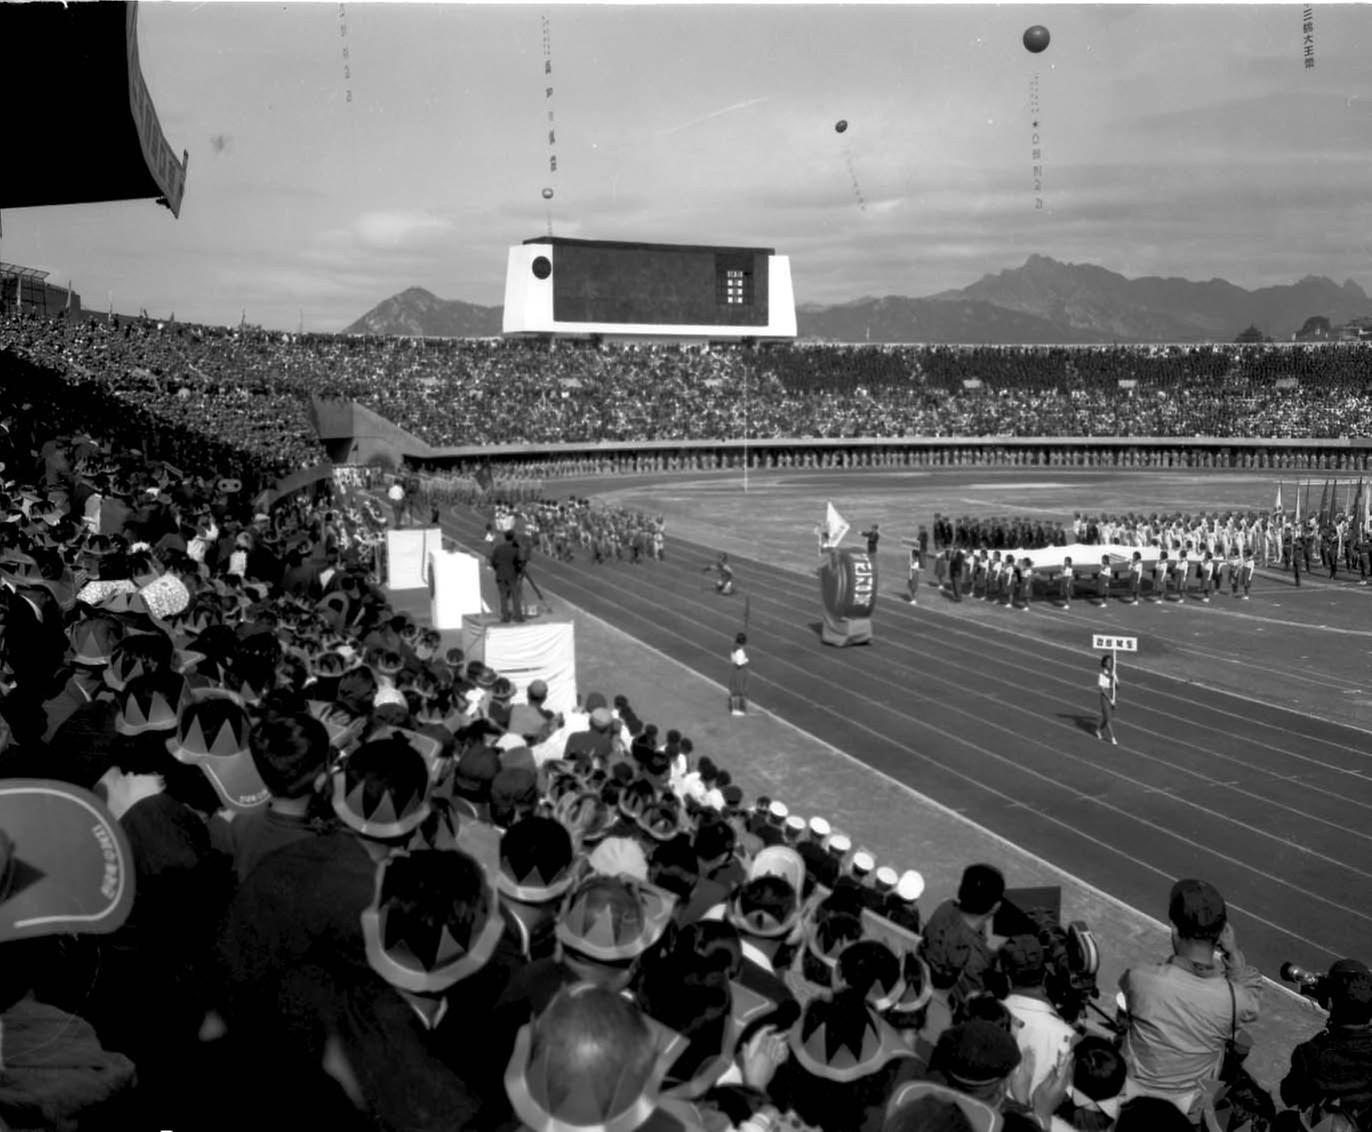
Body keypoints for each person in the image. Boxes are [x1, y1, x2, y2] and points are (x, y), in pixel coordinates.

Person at [1117, 878, 1263, 1123]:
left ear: (1174, 927)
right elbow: (1250, 997)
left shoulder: (1140, 978)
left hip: (1131, 1100)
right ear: (1221, 933)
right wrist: (1233, 954)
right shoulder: (1234, 999)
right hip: (1187, 1110)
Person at [1279, 958, 1372, 1130]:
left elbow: (1289, 1095)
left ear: (1330, 1003)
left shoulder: (1310, 1053)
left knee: (1285, 1121)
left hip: (1326, 1124)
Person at [490, 530, 526, 623]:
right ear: (513, 538)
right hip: (512, 575)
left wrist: (498, 569)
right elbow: (520, 561)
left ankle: (505, 616)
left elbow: (493, 561)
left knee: (503, 596)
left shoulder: (498, 548)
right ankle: (518, 616)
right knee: (515, 595)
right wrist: (518, 572)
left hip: (501, 574)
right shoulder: (515, 549)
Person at [1095, 655, 1118, 745]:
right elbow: (1102, 689)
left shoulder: (1113, 673)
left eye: (1111, 661)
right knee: (1108, 718)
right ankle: (1112, 738)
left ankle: (1098, 730)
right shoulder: (1101, 674)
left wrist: (1115, 681)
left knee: (1106, 718)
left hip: (1112, 695)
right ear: (1104, 663)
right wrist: (1109, 699)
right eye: (1108, 662)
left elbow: (1118, 687)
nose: (1110, 663)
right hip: (1105, 697)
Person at [728, 633, 750, 718]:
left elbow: (734, 659)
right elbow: (740, 663)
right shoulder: (740, 651)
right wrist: (746, 660)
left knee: (735, 688)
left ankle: (735, 708)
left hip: (734, 669)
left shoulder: (734, 648)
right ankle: (736, 710)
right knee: (738, 689)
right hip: (739, 671)